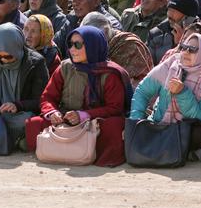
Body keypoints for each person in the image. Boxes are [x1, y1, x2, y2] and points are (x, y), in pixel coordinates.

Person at [24, 26, 133, 167]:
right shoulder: (65, 67)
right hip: (66, 119)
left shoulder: (110, 73)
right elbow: (48, 97)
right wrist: (53, 113)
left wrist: (84, 115)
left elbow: (115, 108)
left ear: (93, 46)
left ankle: (85, 152)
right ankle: (60, 151)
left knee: (114, 126)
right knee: (34, 123)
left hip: (94, 122)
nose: (72, 49)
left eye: (78, 45)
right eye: (70, 44)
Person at [129, 32, 201, 162]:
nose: (186, 52)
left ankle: (177, 151)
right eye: (184, 47)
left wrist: (183, 93)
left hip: (187, 131)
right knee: (136, 132)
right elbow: (142, 92)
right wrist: (135, 122)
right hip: (161, 124)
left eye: (193, 49)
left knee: (200, 134)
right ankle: (186, 154)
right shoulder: (170, 65)